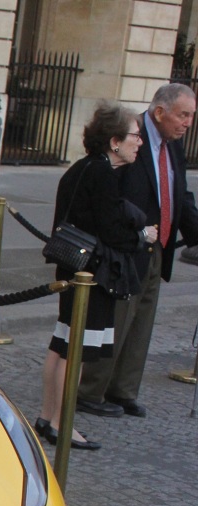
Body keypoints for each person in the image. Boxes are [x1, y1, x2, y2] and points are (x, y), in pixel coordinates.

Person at [36, 102, 157, 451]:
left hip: (76, 270)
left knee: (62, 346)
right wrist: (142, 236)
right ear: (115, 141)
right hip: (90, 275)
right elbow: (111, 231)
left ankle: (49, 417)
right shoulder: (101, 173)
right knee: (73, 351)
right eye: (135, 135)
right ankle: (61, 424)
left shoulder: (86, 168)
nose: (140, 142)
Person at [78, 83, 198, 418]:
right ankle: (91, 391)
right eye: (183, 114)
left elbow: (180, 195)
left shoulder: (173, 146)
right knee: (116, 319)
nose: (188, 122)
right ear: (160, 112)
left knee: (141, 322)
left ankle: (123, 390)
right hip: (127, 245)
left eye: (191, 116)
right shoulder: (132, 135)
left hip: (158, 247)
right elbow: (109, 191)